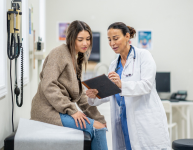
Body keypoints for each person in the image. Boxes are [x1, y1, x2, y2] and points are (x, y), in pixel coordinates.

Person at [86, 22, 170, 150]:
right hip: (124, 121)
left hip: (144, 121)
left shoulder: (144, 56)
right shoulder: (114, 65)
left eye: (115, 38)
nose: (112, 43)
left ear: (127, 36)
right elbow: (112, 93)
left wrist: (122, 84)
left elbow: (147, 85)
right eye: (109, 40)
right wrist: (94, 95)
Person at [30, 20, 108, 150]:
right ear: (72, 39)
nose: (85, 43)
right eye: (80, 39)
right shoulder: (59, 53)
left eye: (88, 39)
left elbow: (81, 95)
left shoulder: (76, 58)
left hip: (60, 110)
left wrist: (98, 117)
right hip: (48, 112)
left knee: (100, 125)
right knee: (97, 129)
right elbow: (48, 85)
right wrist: (71, 110)